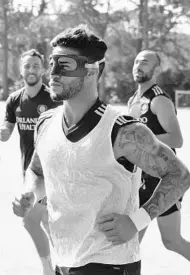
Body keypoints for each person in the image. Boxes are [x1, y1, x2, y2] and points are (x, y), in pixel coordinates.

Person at [12, 25, 190, 275]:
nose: (52, 73)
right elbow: (36, 172)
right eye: (52, 63)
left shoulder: (123, 130)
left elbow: (179, 175)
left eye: (65, 65)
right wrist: (29, 194)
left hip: (110, 264)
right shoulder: (45, 123)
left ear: (92, 72)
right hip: (64, 260)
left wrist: (137, 221)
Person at [0, 49, 61, 275]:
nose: (31, 70)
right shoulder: (14, 99)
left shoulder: (53, 99)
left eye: (36, 66)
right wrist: (4, 132)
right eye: (27, 66)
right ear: (20, 70)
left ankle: (49, 270)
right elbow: (8, 123)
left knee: (30, 219)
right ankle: (72, 264)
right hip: (29, 173)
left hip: (50, 173)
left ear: (43, 70)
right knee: (47, 222)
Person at [128, 49, 190, 261]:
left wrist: (141, 137)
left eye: (145, 62)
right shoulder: (133, 100)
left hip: (163, 182)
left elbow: (176, 139)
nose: (138, 65)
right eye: (136, 61)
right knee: (130, 244)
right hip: (140, 182)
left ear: (157, 69)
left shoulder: (159, 100)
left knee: (171, 240)